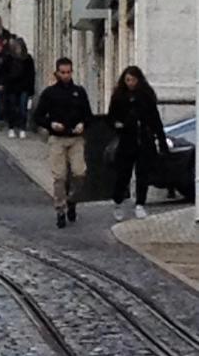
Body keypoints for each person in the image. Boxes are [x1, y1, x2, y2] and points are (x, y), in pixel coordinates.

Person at [34, 57, 93, 229]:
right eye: (63, 72)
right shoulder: (49, 93)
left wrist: (83, 124)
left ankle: (72, 200)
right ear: (57, 73)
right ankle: (60, 209)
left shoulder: (79, 92)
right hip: (57, 139)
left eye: (69, 72)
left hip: (76, 138)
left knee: (80, 173)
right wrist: (51, 124)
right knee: (59, 177)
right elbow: (38, 116)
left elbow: (88, 115)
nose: (66, 75)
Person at [107, 66, 167, 221]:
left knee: (143, 174)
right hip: (127, 139)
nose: (131, 83)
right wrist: (117, 124)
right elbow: (111, 117)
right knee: (123, 174)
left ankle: (140, 203)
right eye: (128, 80)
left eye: (133, 80)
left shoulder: (146, 96)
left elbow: (155, 119)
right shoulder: (119, 97)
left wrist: (161, 139)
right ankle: (118, 202)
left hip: (144, 139)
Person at [0, 38, 35, 138]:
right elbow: (4, 72)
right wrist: (5, 84)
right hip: (11, 87)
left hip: (24, 87)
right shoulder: (8, 58)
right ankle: (11, 127)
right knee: (12, 108)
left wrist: (30, 90)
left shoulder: (28, 59)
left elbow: (31, 75)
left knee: (23, 109)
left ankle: (22, 128)